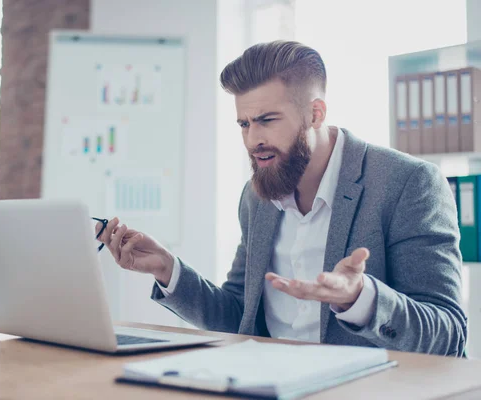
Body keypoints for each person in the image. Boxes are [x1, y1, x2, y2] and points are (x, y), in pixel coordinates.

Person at [96, 40, 467, 356]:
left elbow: (448, 334)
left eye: (267, 120)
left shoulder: (408, 183)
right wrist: (167, 270)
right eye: (244, 123)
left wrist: (360, 299)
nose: (253, 139)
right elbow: (239, 315)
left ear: (315, 113)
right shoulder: (257, 195)